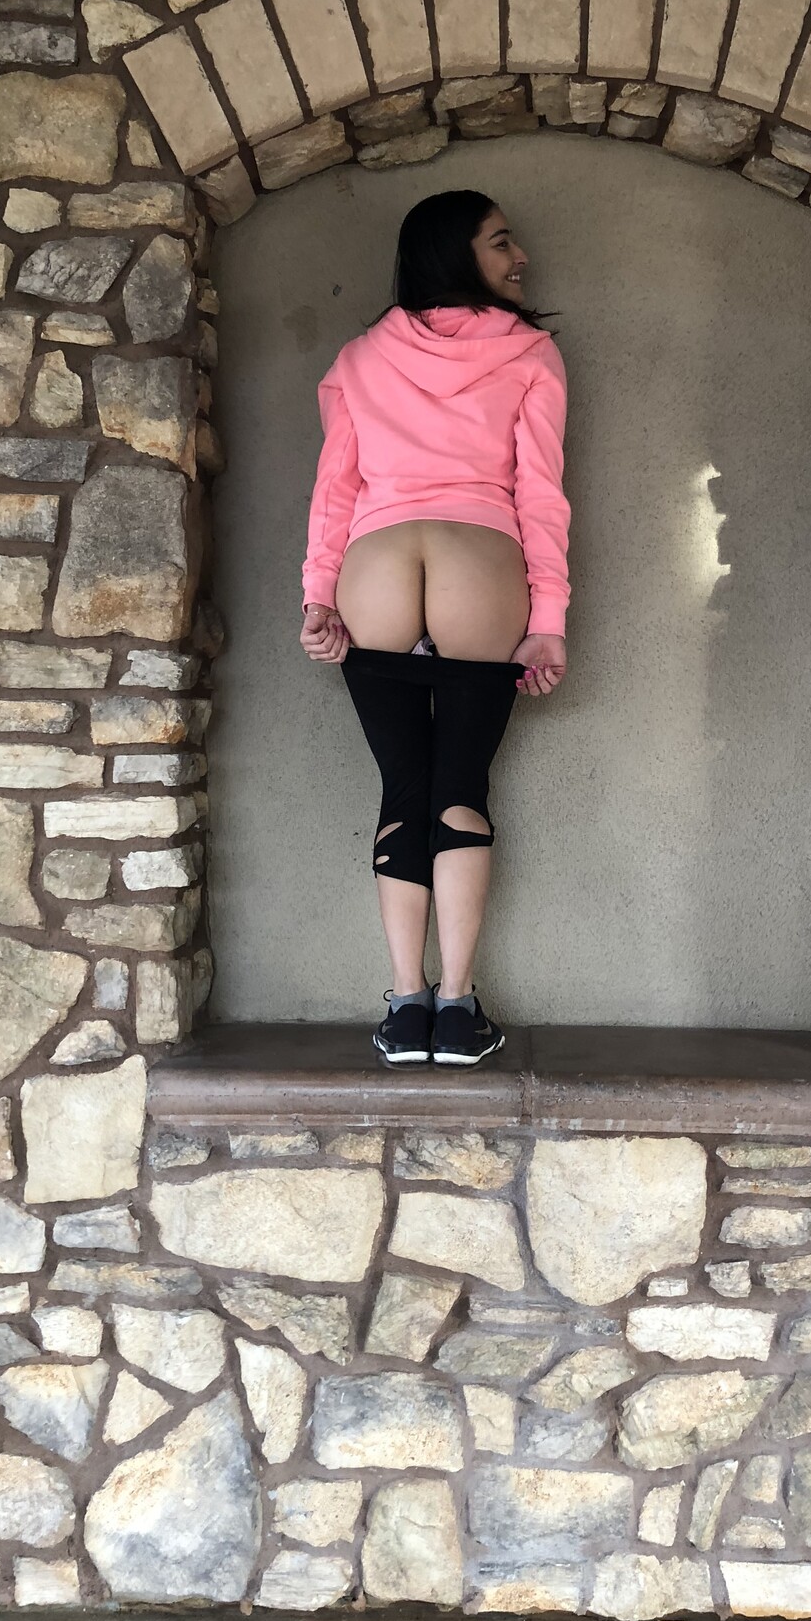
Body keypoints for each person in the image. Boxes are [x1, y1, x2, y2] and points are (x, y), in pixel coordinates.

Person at [299, 189, 572, 1071]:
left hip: (375, 566)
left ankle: (403, 1005)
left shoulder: (357, 359)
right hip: (476, 561)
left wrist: (317, 598)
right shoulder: (530, 353)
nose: (519, 257)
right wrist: (549, 620)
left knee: (401, 791)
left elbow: (336, 489)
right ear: (456, 255)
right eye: (501, 242)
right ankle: (457, 1010)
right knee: (459, 790)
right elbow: (541, 496)